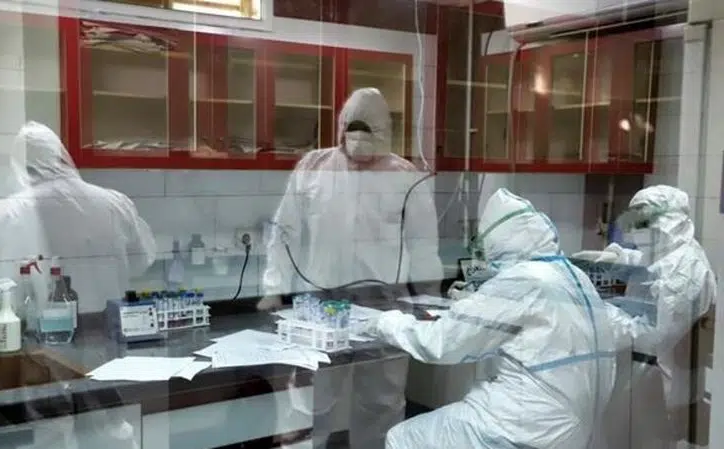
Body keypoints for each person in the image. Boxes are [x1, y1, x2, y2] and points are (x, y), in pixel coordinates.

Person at [259, 88, 443, 449]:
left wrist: (429, 300)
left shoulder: (405, 176)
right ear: (341, 127)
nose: (359, 140)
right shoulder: (313, 167)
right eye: (352, 130)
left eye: (369, 131)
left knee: (382, 402)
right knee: (310, 400)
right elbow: (284, 232)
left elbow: (423, 245)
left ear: (385, 132)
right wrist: (273, 287)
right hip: (320, 304)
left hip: (385, 306)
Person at [370, 188, 616, 449]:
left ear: (499, 243)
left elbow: (442, 343)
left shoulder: (523, 279)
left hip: (532, 426)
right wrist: (478, 300)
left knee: (404, 438)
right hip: (576, 425)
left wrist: (386, 323)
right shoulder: (572, 275)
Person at [587, 185, 716, 448]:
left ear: (667, 222)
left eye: (642, 222)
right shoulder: (672, 252)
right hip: (646, 380)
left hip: (662, 388)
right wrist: (615, 258)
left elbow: (652, 336)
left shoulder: (685, 271)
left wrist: (602, 316)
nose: (635, 230)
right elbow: (649, 264)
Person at [0, 121, 157, 313]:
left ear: (19, 166)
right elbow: (141, 262)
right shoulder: (115, 203)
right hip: (112, 323)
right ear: (61, 156)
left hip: (48, 327)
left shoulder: (9, 212)